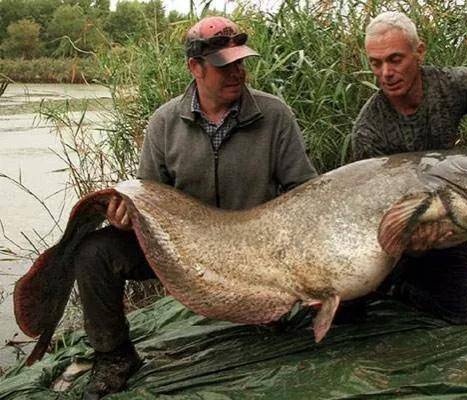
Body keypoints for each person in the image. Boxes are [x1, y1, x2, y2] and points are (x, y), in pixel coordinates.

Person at [74, 16, 317, 399]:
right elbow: (149, 200)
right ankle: (115, 356)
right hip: (180, 252)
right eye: (225, 65)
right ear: (195, 68)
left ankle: (267, 309)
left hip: (255, 250)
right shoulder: (164, 122)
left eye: (241, 62)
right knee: (94, 252)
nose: (237, 72)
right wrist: (126, 218)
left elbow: (305, 193)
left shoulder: (275, 116)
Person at [350, 11, 467, 325]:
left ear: (419, 51)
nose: (386, 73)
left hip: (442, 225)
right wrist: (409, 244)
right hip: (386, 236)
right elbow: (373, 209)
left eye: (395, 59)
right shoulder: (368, 130)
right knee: (348, 310)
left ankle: (403, 288)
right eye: (376, 63)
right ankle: (390, 282)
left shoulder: (449, 84)